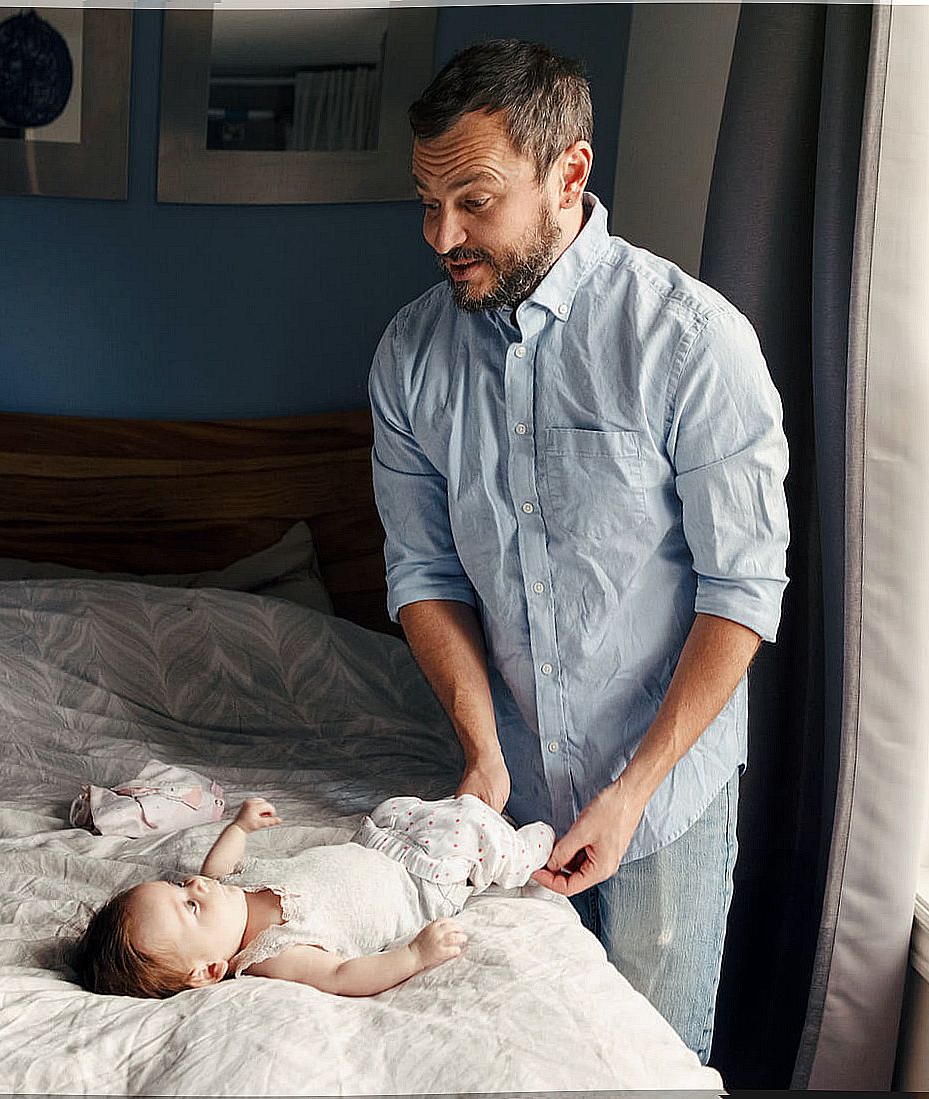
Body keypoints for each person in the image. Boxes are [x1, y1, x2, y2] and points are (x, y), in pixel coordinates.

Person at [367, 39, 789, 1062]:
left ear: (569, 173)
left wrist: (633, 787)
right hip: (505, 792)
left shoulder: (692, 342)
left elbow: (742, 591)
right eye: (427, 204)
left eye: (474, 201)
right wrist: (480, 751)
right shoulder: (407, 358)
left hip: (663, 796)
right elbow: (423, 573)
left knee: (649, 1061)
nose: (442, 235)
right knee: (509, 1062)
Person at [70, 795, 555, 998]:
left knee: (401, 808)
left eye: (178, 887)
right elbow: (342, 976)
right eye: (189, 906)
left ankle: (476, 819)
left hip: (379, 846)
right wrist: (413, 955)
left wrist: (239, 827)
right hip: (418, 884)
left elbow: (213, 868)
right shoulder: (270, 956)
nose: (194, 886)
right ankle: (521, 854)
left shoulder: (229, 892)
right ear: (210, 970)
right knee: (467, 823)